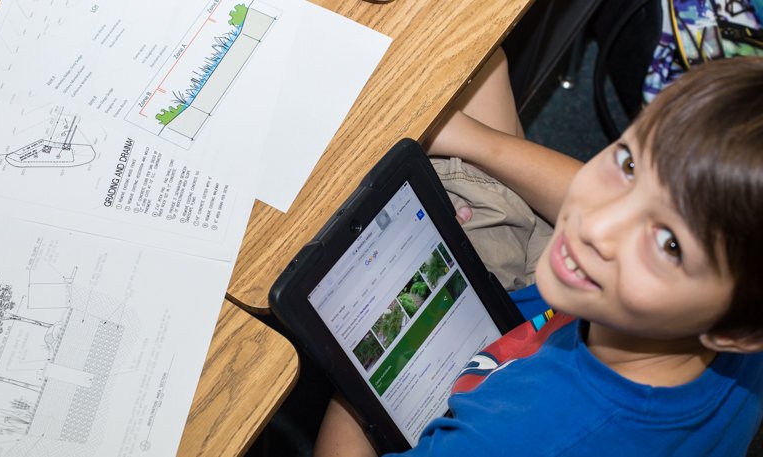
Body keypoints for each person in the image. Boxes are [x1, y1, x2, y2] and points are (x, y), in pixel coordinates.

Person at [313, 49, 763, 456]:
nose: (595, 224)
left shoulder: (512, 439)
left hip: (476, 360)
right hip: (545, 314)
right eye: (629, 165)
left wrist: (362, 379)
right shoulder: (737, 305)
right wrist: (468, 138)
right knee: (485, 65)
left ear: (738, 333)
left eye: (669, 245)